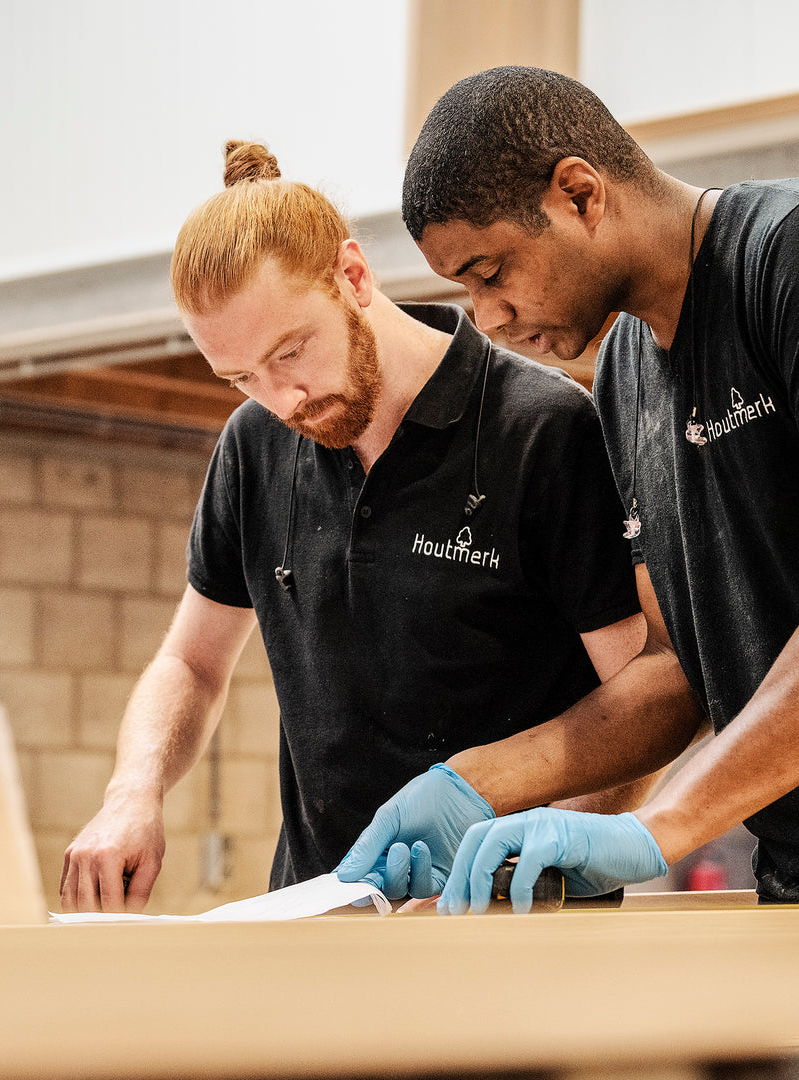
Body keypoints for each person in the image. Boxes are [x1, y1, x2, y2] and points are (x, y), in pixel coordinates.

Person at [59, 139, 652, 913]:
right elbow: (193, 663)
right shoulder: (254, 445)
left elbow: (641, 702)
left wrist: (540, 865)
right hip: (318, 919)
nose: (283, 399)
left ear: (353, 275)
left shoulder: (542, 432)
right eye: (242, 377)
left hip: (512, 932)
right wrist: (133, 789)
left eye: (292, 351)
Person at [341, 64, 799, 913]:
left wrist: (658, 825)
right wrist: (477, 784)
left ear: (580, 195)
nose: (487, 317)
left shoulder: (784, 263)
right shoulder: (625, 375)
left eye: (490, 271)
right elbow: (670, 671)